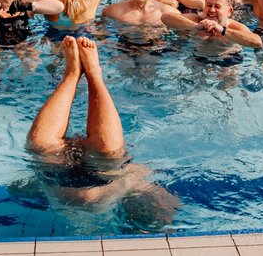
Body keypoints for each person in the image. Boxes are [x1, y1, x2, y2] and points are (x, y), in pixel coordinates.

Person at [26, 36, 178, 216]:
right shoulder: (130, 184)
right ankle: (93, 74)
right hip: (105, 178)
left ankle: (71, 74)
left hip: (55, 178)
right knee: (108, 153)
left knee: (41, 146)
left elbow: (17, 188)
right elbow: (168, 212)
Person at [161, 0, 263, 49]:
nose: (212, 10)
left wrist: (223, 30)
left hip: (226, 60)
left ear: (229, 11)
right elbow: (165, 17)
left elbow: (257, 42)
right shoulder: (196, 20)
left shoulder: (235, 27)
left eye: (217, 7)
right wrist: (195, 26)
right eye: (209, 5)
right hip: (197, 57)